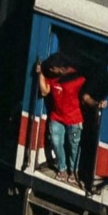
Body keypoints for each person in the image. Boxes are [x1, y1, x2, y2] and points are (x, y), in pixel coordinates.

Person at [41, 54, 93, 183]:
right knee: (56, 143)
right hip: (57, 117)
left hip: (74, 119)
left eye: (52, 68)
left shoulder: (78, 78)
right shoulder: (52, 77)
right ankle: (62, 169)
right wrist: (40, 74)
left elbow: (85, 96)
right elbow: (44, 91)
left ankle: (73, 172)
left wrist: (97, 104)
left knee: (74, 147)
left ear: (60, 68)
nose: (50, 70)